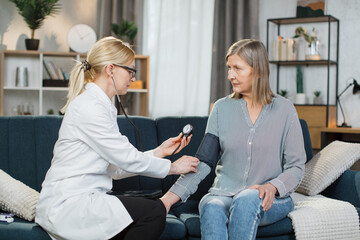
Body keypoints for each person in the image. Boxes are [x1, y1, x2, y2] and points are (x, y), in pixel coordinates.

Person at [35, 36, 199, 240]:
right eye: (130, 70)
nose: (133, 77)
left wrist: (159, 152)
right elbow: (125, 158)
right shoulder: (90, 107)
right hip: (69, 203)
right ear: (110, 69)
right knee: (153, 212)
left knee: (150, 211)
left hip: (84, 198)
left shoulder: (102, 106)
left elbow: (115, 168)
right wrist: (174, 168)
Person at [161, 39, 306, 240]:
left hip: (268, 199)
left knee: (247, 199)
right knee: (211, 206)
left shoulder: (285, 109)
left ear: (258, 70)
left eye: (237, 68)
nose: (230, 75)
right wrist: (168, 199)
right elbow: (203, 162)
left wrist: (272, 187)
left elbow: (296, 167)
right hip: (224, 194)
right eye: (229, 68)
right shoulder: (221, 108)